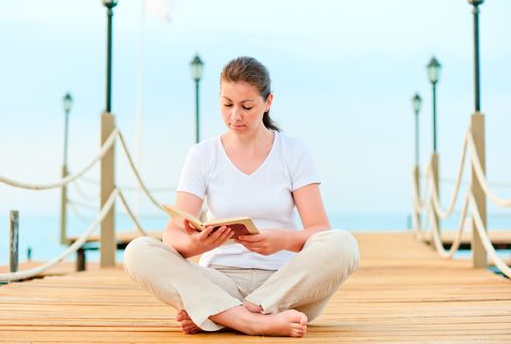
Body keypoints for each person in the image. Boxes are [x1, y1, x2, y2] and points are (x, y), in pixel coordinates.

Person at [123, 56, 359, 338]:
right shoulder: (202, 155)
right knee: (138, 251)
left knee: (343, 244)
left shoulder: (293, 151)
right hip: (218, 280)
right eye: (227, 105)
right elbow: (172, 234)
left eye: (247, 107)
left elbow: (320, 230)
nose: (235, 116)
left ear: (267, 102)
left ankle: (221, 314)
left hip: (287, 286)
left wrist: (280, 241)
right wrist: (196, 244)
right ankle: (252, 321)